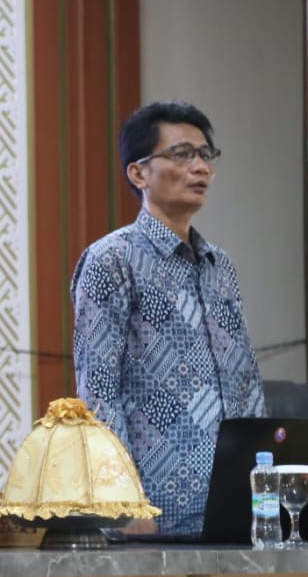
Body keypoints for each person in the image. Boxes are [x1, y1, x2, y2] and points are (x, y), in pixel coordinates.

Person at [71, 100, 265, 534]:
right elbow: (97, 393)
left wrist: (266, 489)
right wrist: (125, 504)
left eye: (206, 155)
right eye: (181, 154)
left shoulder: (220, 265)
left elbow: (247, 384)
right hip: (156, 517)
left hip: (238, 510)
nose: (200, 167)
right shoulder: (111, 260)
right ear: (138, 173)